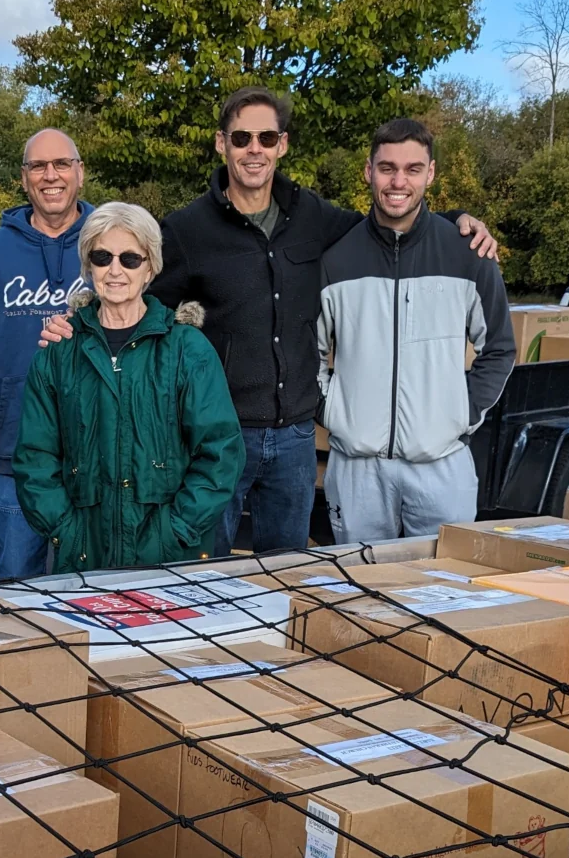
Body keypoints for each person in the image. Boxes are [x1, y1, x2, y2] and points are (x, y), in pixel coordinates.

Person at [40, 87, 498, 556]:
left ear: (282, 144)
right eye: (241, 138)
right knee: (206, 575)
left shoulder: (312, 214)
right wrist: (76, 325)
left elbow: (388, 224)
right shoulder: (187, 229)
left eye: (265, 137)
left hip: (295, 440)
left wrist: (455, 222)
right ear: (222, 143)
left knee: (285, 578)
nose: (253, 149)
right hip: (216, 438)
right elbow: (132, 294)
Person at [14, 202, 244, 572]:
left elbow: (220, 453)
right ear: (88, 266)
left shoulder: (187, 350)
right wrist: (66, 532)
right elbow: (35, 458)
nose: (115, 270)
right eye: (102, 257)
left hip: (170, 560)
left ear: (150, 266)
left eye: (130, 259)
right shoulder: (59, 353)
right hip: (84, 560)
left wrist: (176, 531)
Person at [317, 119, 515, 542]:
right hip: (357, 471)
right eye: (387, 168)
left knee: (444, 597)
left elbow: (498, 348)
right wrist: (333, 410)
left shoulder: (469, 254)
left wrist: (459, 417)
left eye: (412, 169)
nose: (398, 181)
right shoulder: (335, 258)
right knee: (361, 596)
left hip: (442, 467)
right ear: (369, 171)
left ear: (431, 173)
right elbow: (306, 353)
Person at [0, 128, 94, 578]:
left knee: (96, 591)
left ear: (80, 173)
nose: (50, 175)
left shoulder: (108, 246)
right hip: (15, 459)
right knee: (20, 596)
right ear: (24, 178)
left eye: (61, 164)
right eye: (38, 166)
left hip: (96, 454)